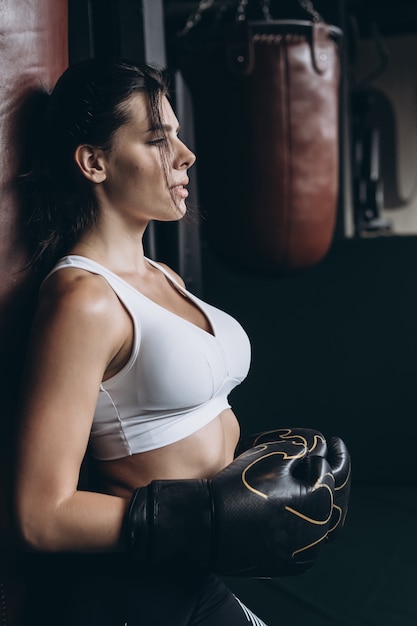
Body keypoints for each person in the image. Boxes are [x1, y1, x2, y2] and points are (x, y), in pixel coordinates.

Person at [14, 58, 350, 626]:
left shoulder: (162, 275)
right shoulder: (83, 299)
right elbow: (39, 514)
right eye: (155, 138)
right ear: (94, 162)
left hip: (196, 577)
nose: (185, 153)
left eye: (176, 132)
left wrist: (254, 478)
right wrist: (202, 521)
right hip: (128, 594)